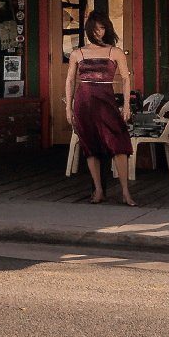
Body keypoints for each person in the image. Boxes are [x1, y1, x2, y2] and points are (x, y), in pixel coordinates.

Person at [64, 11, 136, 206]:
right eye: (95, 29)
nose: (99, 32)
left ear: (107, 29)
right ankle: (98, 190)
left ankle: (125, 192)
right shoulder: (77, 53)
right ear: (89, 30)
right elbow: (70, 80)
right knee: (90, 146)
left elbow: (126, 78)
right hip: (84, 101)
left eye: (102, 28)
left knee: (119, 144)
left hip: (106, 100)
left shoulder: (116, 52)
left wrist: (127, 105)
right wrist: (68, 108)